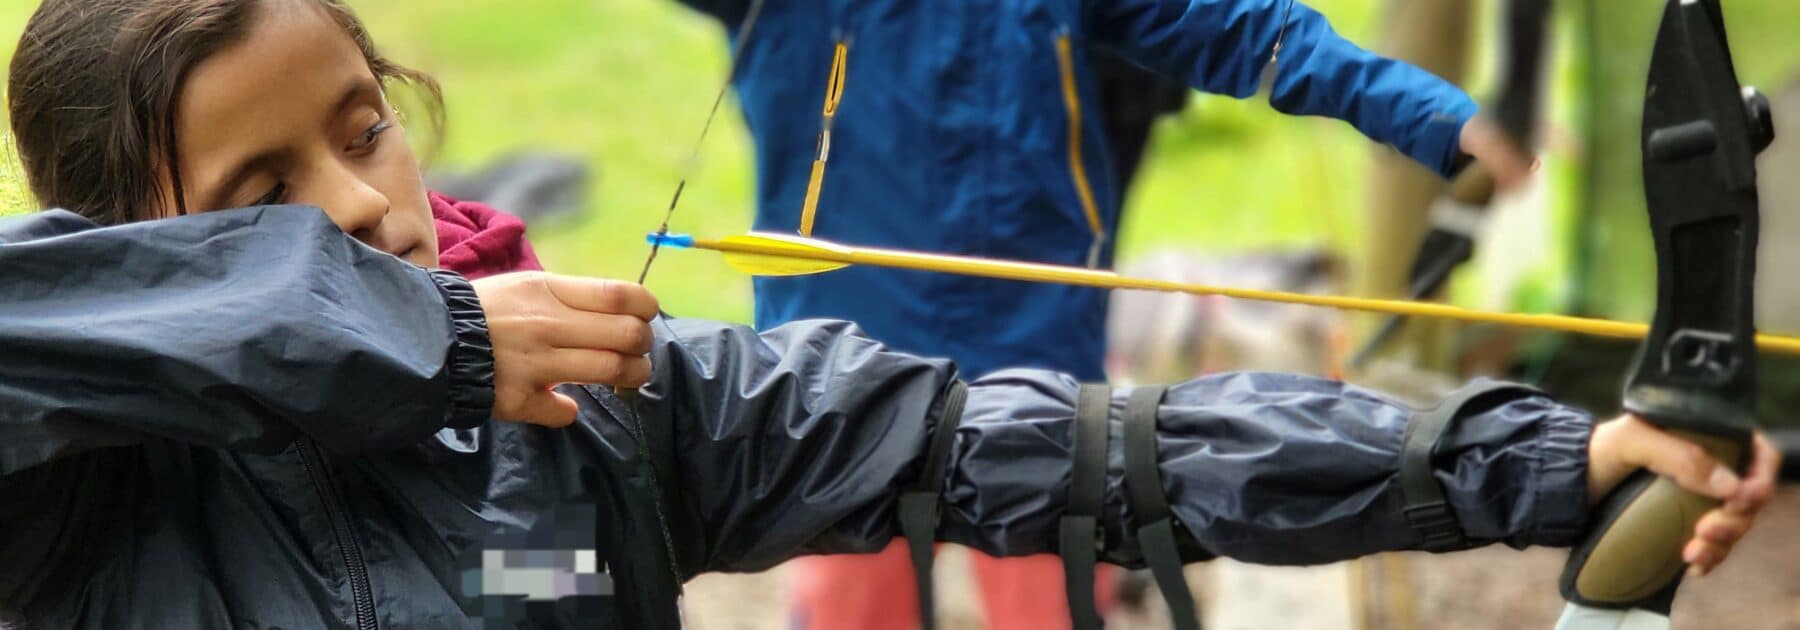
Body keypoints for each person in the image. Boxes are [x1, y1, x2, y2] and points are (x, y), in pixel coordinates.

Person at [0, 1, 1781, 629]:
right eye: (259, 199)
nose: (370, 207)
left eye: (364, 127)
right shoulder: (76, 482)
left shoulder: (601, 414)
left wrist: (1550, 458)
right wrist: (439, 341)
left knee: (1047, 548)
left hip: (936, 373)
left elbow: (1109, 440)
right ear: (111, 237)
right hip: (835, 310)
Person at [662, 1, 1537, 626]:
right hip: (838, 365)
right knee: (852, 608)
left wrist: (1436, 117)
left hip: (1032, 349)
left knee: (1046, 600)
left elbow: (1247, 28)